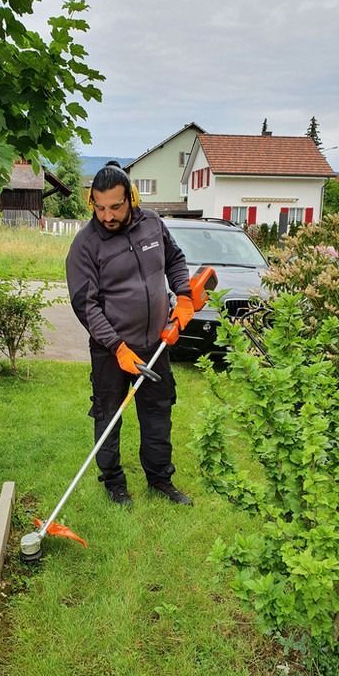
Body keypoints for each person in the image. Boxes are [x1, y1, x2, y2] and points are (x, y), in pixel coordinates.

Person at [65, 162, 195, 507]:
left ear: (131, 199)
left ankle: (160, 478)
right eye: (99, 207)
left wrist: (183, 295)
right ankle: (113, 482)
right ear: (92, 201)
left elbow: (176, 260)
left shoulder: (152, 224)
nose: (107, 215)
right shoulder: (85, 246)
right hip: (112, 352)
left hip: (155, 344)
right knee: (109, 416)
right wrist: (117, 347)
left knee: (158, 411)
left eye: (115, 207)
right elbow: (86, 305)